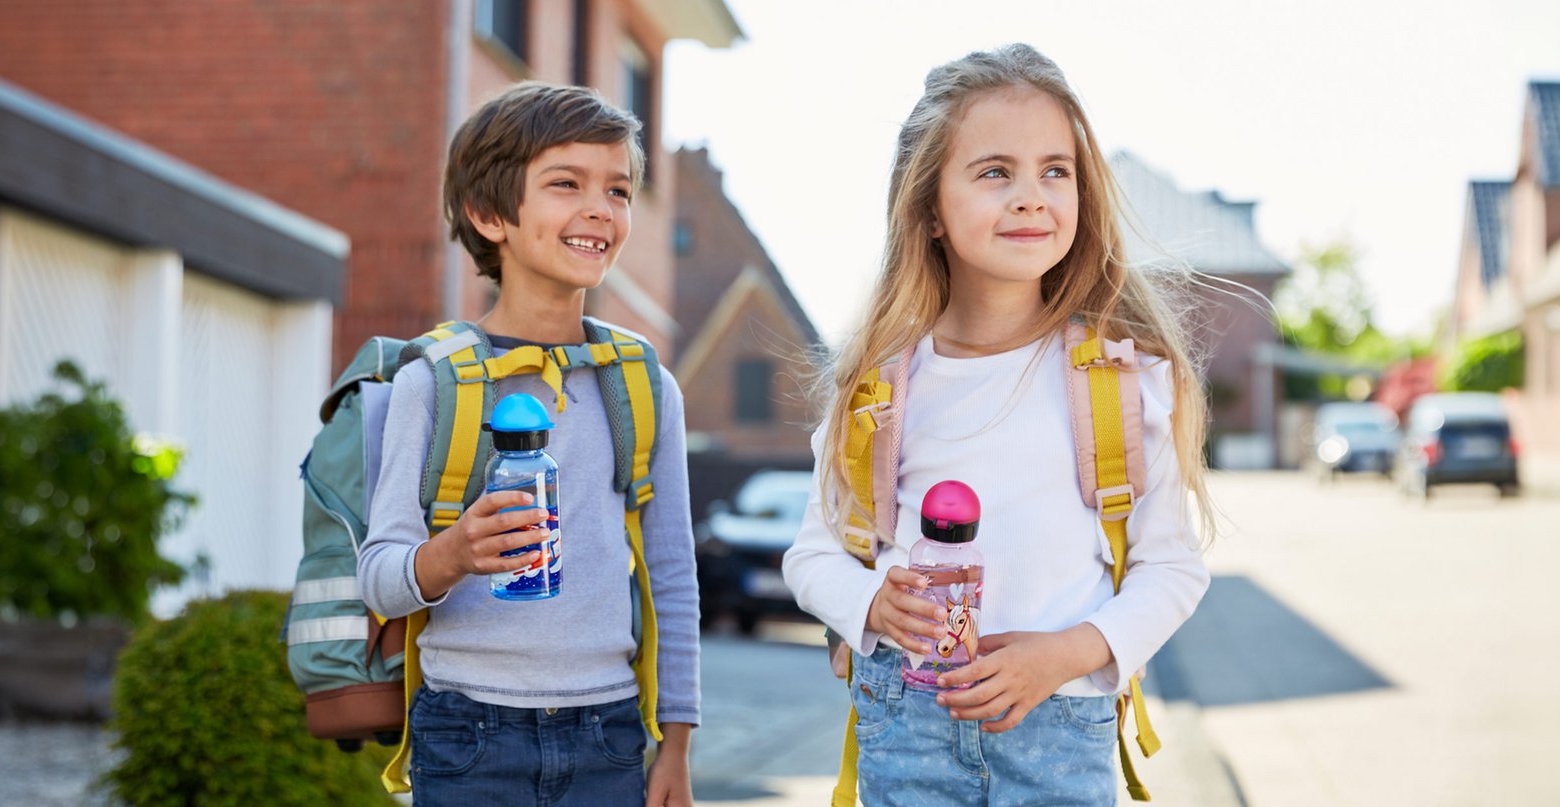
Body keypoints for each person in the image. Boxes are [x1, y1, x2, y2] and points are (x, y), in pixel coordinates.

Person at [782, 44, 1214, 806]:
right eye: (994, 172)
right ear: (931, 211)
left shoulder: (1123, 378)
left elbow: (1173, 569)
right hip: (906, 728)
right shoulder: (879, 385)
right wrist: (870, 606)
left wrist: (1067, 654)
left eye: (1056, 170)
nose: (1031, 196)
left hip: (1062, 735)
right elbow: (815, 555)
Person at [360, 82, 699, 807]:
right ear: (490, 215)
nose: (600, 209)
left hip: (609, 732)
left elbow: (671, 575)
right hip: (466, 729)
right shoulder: (435, 380)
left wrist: (675, 744)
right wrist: (451, 553)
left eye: (618, 189)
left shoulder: (643, 385)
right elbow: (381, 575)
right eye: (565, 184)